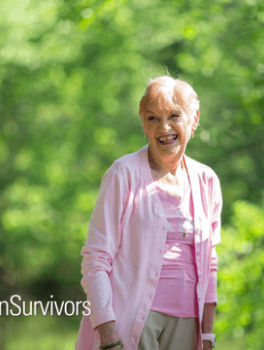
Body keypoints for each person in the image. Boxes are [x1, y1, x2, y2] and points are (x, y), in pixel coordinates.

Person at [76, 76, 222, 350]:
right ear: (144, 124)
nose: (164, 127)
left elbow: (210, 262)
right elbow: (96, 259)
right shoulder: (123, 174)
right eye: (153, 118)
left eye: (174, 116)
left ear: (195, 118)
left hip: (188, 325)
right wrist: (107, 333)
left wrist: (207, 333)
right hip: (132, 321)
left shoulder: (207, 180)